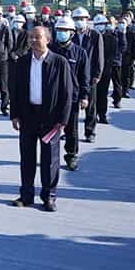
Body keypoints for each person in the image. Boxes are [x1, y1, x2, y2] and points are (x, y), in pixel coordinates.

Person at [9, 26, 74, 212]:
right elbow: (15, 90)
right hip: (28, 116)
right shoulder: (22, 62)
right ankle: (26, 195)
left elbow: (67, 93)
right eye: (31, 37)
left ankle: (49, 196)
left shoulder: (59, 62)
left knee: (50, 160)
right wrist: (14, 114)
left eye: (37, 37)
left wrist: (63, 119)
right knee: (27, 158)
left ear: (48, 40)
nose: (33, 40)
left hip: (50, 119)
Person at [49, 16, 90, 171]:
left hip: (71, 98)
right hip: (52, 98)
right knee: (50, 129)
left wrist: (84, 96)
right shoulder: (50, 50)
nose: (62, 33)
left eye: (65, 30)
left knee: (71, 130)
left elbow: (84, 77)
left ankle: (71, 156)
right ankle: (49, 157)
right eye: (59, 30)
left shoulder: (79, 53)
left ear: (72, 33)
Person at [71, 7, 104, 144]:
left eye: (82, 19)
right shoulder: (70, 34)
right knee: (71, 106)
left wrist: (97, 74)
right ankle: (70, 132)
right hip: (73, 75)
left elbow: (99, 56)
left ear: (87, 19)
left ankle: (90, 132)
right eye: (76, 19)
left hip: (89, 76)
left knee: (90, 106)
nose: (79, 21)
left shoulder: (95, 35)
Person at [93, 14, 118, 127]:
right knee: (93, 94)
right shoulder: (91, 37)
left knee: (103, 93)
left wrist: (104, 68)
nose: (100, 26)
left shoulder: (111, 38)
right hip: (93, 71)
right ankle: (93, 115)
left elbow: (112, 55)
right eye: (97, 24)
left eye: (102, 24)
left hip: (106, 70)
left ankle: (102, 114)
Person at [112, 15, 129, 109]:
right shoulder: (107, 33)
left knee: (117, 83)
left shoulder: (120, 34)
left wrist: (116, 54)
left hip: (116, 62)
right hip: (106, 62)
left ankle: (117, 100)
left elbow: (123, 47)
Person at [121, 13, 135, 98]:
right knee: (118, 75)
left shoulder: (132, 31)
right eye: (123, 18)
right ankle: (118, 91)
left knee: (126, 75)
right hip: (119, 57)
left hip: (128, 56)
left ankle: (125, 91)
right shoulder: (117, 30)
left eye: (127, 18)